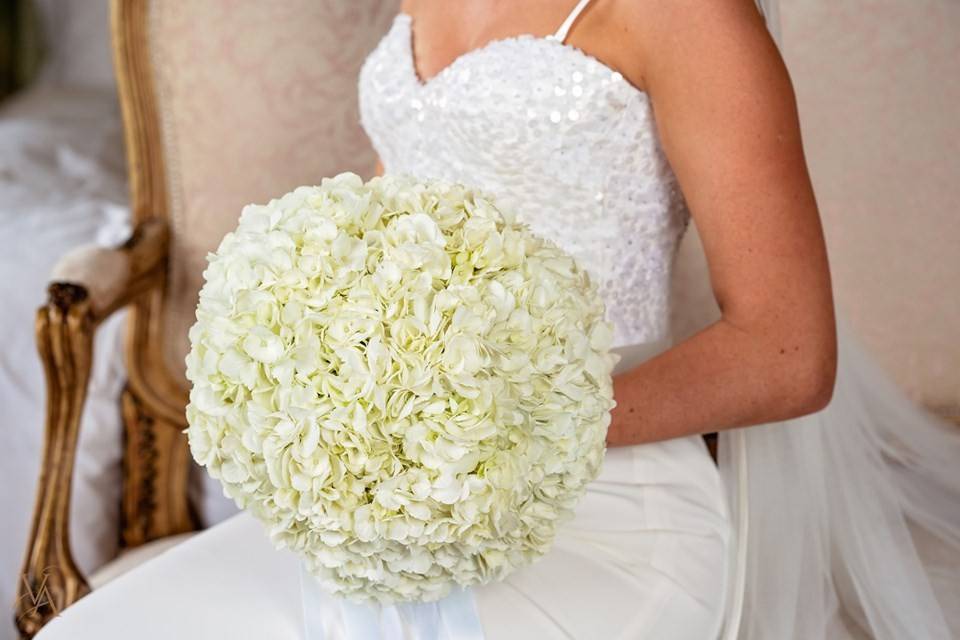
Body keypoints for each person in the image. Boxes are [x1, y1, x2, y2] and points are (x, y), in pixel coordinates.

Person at [37, 1, 960, 638]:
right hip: (404, 515)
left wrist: (497, 433)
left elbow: (789, 353)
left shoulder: (688, 15)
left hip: (614, 511)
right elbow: (410, 215)